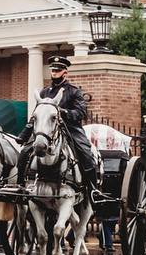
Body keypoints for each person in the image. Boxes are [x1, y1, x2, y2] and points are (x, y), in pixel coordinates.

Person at [30, 56, 98, 196]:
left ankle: (92, 189)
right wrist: (24, 134)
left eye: (58, 70)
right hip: (46, 130)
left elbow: (80, 113)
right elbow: (37, 114)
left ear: (65, 72)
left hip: (70, 129)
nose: (54, 73)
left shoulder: (74, 91)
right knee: (25, 152)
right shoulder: (44, 92)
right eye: (53, 70)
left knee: (85, 153)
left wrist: (63, 112)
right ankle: (23, 183)